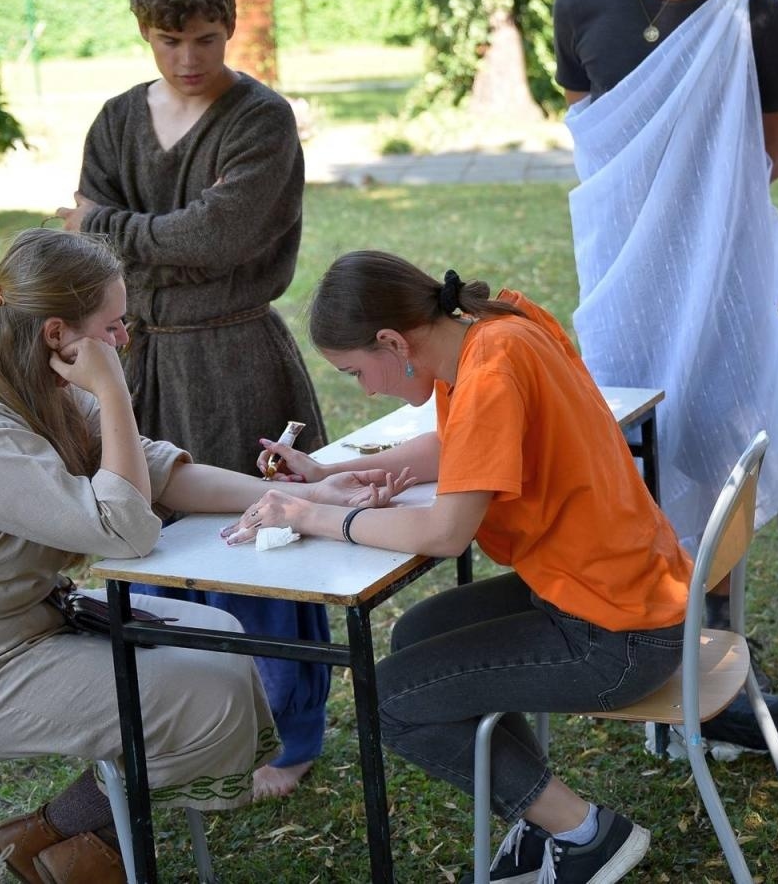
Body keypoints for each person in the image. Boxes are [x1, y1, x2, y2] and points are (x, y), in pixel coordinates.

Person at [0, 229, 406, 884]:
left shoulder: (29, 389)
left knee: (223, 640)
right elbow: (125, 529)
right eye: (114, 326)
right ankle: (64, 836)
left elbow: (158, 473)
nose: (125, 338)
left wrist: (305, 495)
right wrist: (114, 392)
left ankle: (59, 832)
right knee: (203, 696)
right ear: (58, 334)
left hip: (16, 628)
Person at [230, 250, 693, 884]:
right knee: (417, 634)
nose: (366, 390)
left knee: (386, 699)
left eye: (357, 372)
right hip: (621, 594)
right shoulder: (493, 331)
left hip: (618, 637)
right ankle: (541, 818)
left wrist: (312, 515)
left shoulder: (490, 371)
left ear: (394, 342)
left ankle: (584, 832)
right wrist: (329, 474)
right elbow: (456, 446)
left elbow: (446, 533)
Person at [57, 0, 331, 798]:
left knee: (265, 538)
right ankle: (191, 723)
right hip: (136, 359)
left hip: (234, 356)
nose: (188, 59)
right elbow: (90, 255)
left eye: (205, 39)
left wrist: (110, 226)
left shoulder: (259, 119)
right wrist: (125, 240)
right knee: (153, 536)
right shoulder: (116, 120)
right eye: (169, 41)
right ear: (146, 33)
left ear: (230, 28)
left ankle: (293, 734)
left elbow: (219, 235)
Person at [553, 0, 778, 630]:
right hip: (622, 270)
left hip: (720, 267)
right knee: (630, 443)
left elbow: (772, 154)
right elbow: (602, 148)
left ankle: (720, 640)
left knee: (718, 444)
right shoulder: (579, 4)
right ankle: (653, 630)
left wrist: (693, 217)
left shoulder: (751, 12)